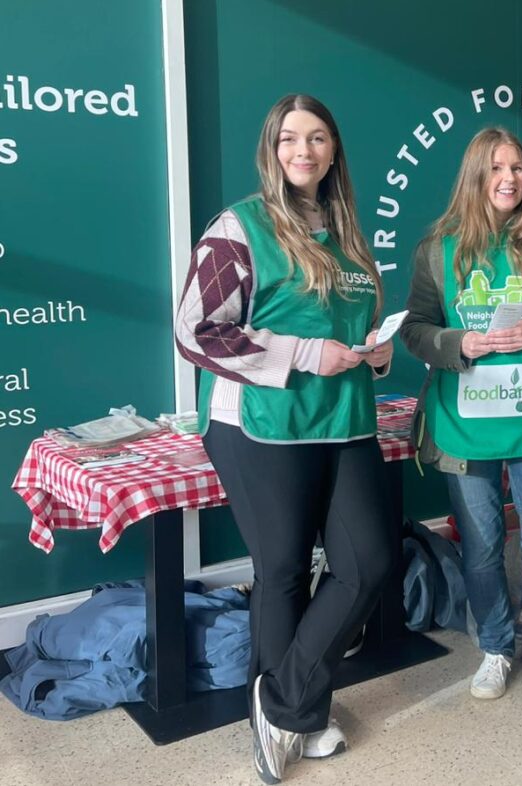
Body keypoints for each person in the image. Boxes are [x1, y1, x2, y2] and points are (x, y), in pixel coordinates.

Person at [175, 94, 394, 784]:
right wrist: (303, 354)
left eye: (319, 138)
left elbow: (357, 322)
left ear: (334, 152)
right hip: (260, 426)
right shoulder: (239, 227)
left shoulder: (349, 232)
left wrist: (375, 353)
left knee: (368, 561)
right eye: (291, 139)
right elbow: (197, 331)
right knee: (284, 573)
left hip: (345, 417)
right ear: (272, 149)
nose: (305, 151)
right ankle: (297, 718)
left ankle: (282, 700)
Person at [400, 127, 522, 722]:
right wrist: (460, 342)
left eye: (518, 169)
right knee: (482, 550)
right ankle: (495, 646)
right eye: (496, 169)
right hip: (467, 423)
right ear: (475, 177)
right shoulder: (439, 247)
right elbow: (415, 329)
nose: (510, 179)